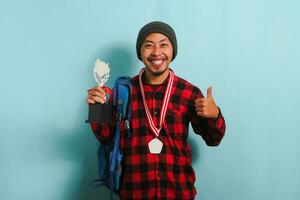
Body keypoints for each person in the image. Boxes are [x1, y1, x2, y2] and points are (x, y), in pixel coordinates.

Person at [86, 21, 226, 200]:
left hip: (178, 191)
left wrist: (215, 115)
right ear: (140, 53)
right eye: (148, 46)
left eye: (164, 44)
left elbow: (214, 139)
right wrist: (97, 109)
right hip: (134, 191)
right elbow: (105, 136)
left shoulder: (189, 93)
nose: (156, 52)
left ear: (172, 50)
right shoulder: (124, 90)